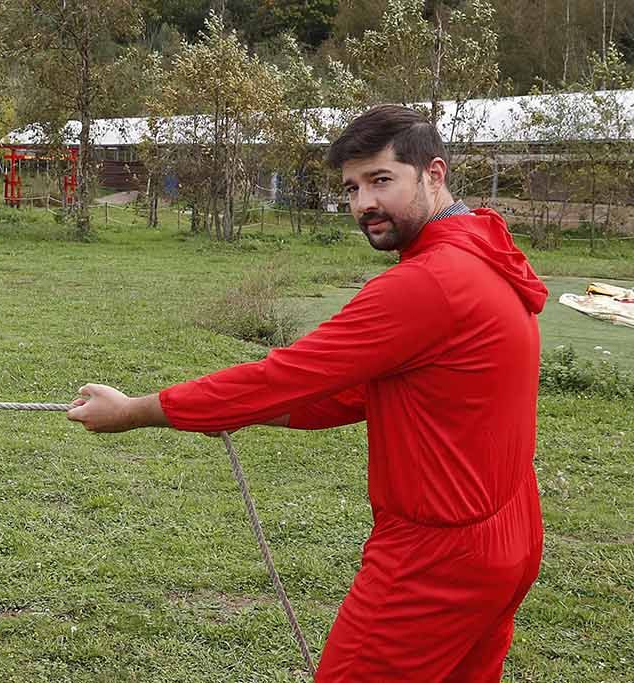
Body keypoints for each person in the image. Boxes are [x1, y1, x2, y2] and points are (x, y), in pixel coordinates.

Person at [67, 105, 547, 682]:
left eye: (381, 180)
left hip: (436, 557)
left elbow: (284, 377)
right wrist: (240, 414)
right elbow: (361, 395)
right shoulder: (484, 256)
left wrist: (137, 411)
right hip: (506, 536)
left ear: (434, 174)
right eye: (352, 187)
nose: (363, 202)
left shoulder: (428, 285)